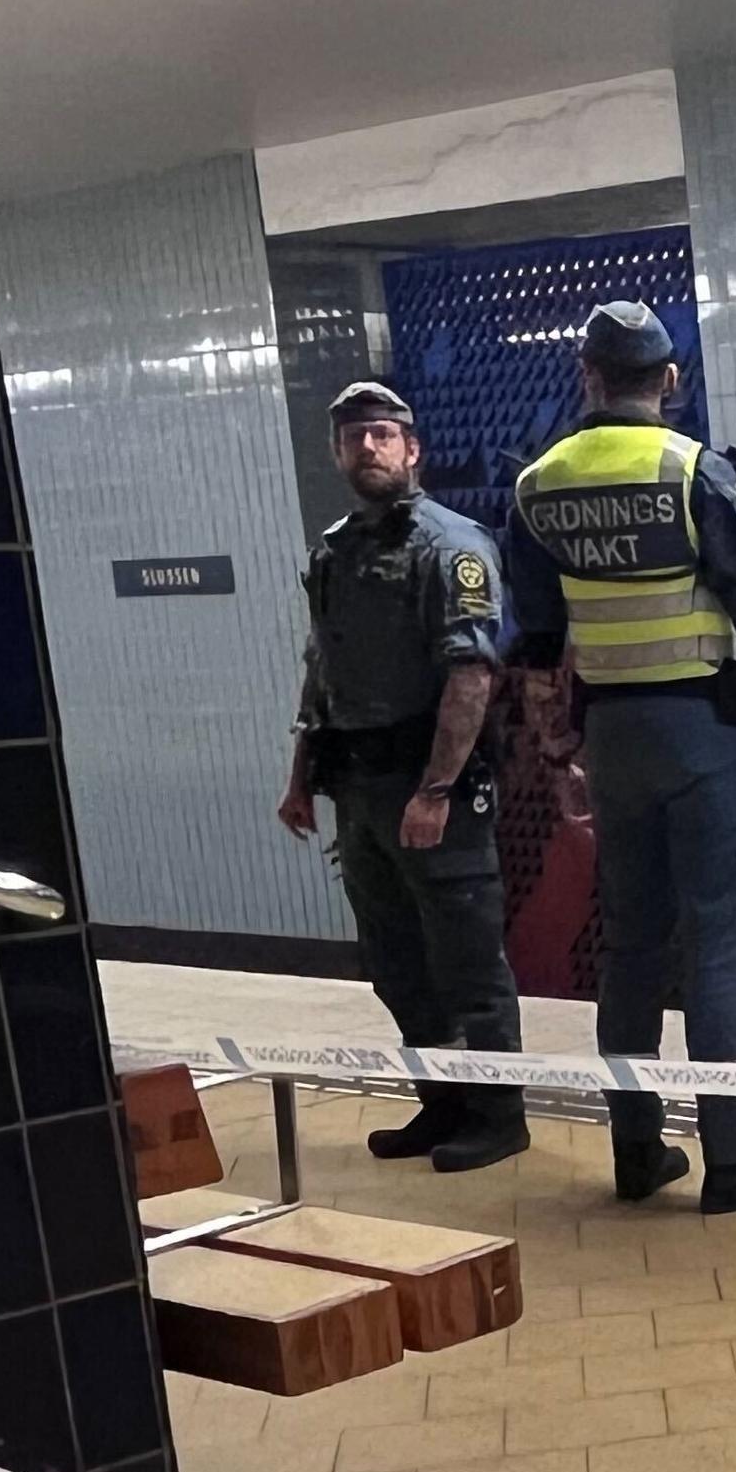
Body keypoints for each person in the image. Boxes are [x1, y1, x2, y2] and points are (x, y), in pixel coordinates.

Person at [504, 300, 736, 1214]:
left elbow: (534, 646)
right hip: (703, 735)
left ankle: (636, 1148)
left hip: (611, 744)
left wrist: (555, 743)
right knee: (719, 942)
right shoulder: (695, 474)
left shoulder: (538, 485)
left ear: (587, 378)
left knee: (630, 946)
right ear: (670, 380)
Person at [275, 379, 528, 1172]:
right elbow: (323, 667)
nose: (369, 448)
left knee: (467, 962)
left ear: (412, 450)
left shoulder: (453, 546)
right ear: (337, 452)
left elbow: (472, 676)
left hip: (430, 789)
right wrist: (300, 774)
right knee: (394, 962)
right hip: (358, 786)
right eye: (355, 437)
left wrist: (437, 789)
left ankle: (498, 1113)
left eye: (384, 435)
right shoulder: (334, 550)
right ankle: (440, 1101)